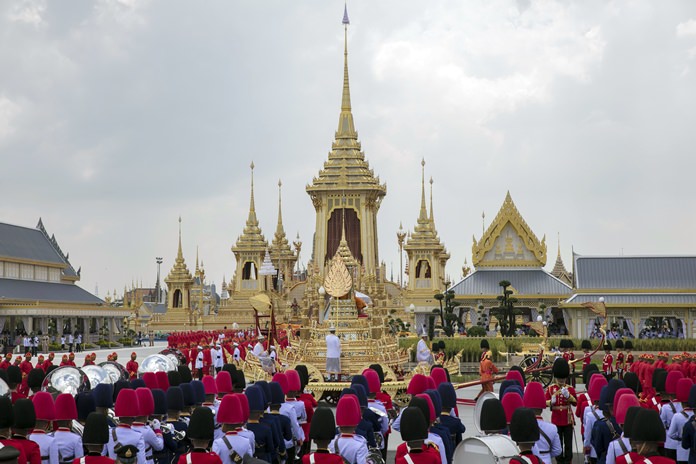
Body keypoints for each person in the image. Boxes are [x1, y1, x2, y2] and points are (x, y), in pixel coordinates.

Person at [546, 358, 576, 464]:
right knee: (558, 443)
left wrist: (569, 396)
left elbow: (575, 402)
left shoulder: (570, 389)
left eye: (563, 378)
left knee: (568, 442)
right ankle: (559, 460)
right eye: (560, 378)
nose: (562, 380)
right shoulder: (551, 389)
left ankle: (568, 460)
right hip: (556, 419)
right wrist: (551, 402)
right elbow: (544, 402)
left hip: (567, 419)